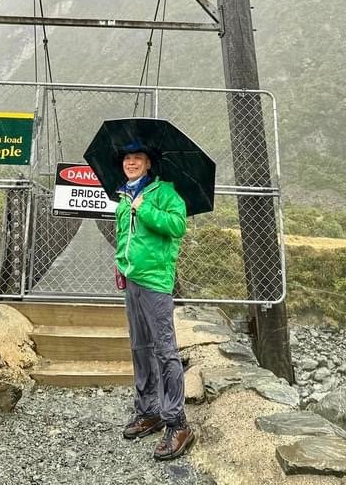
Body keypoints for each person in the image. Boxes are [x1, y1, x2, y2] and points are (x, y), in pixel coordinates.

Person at [114, 139, 195, 461]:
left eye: (138, 158)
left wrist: (143, 208)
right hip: (132, 280)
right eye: (127, 158)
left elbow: (177, 227)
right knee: (140, 348)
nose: (131, 162)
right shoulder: (124, 195)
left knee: (165, 351)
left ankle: (178, 422)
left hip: (156, 282)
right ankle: (149, 410)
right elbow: (124, 235)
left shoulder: (164, 194)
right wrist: (121, 265)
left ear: (149, 163)